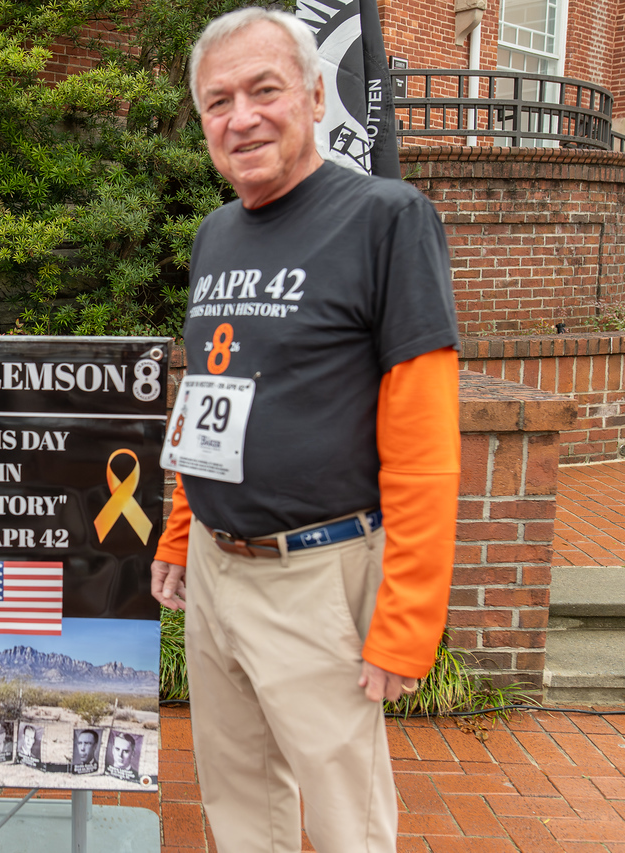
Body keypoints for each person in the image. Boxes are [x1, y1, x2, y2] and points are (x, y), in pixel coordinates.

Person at [150, 8, 459, 852]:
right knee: (239, 803)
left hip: (318, 576)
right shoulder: (215, 235)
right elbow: (210, 396)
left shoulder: (387, 219)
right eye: (218, 101)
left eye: (264, 90)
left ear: (316, 95)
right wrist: (182, 532)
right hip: (217, 568)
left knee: (346, 820)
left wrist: (407, 618)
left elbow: (427, 438)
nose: (240, 117)